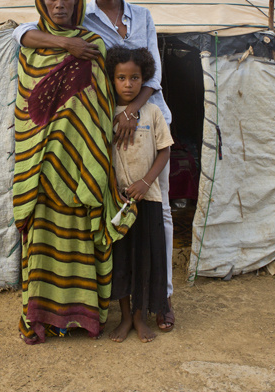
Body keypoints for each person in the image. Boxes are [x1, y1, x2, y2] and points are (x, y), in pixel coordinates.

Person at [12, 0, 177, 332]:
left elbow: (151, 76)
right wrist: (66, 42)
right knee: (118, 208)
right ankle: (122, 304)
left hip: (147, 121)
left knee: (161, 211)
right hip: (102, 137)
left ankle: (162, 298)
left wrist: (133, 109)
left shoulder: (141, 18)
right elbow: (20, 33)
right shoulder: (80, 22)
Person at [12, 0, 132, 344]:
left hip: (82, 166)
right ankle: (42, 317)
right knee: (44, 242)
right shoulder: (31, 48)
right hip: (42, 168)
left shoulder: (94, 46)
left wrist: (90, 153)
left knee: (79, 238)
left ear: (78, 0)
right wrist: (65, 47)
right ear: (42, 1)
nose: (60, 4)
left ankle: (81, 316)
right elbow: (25, 113)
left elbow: (102, 104)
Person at [105, 47, 173, 343]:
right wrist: (112, 190)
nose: (129, 84)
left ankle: (140, 317)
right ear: (113, 79)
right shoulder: (105, 112)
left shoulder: (153, 112)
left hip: (148, 200)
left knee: (146, 261)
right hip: (117, 203)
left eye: (135, 77)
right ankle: (124, 318)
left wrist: (146, 182)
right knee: (121, 262)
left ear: (143, 78)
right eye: (122, 77)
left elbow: (164, 149)